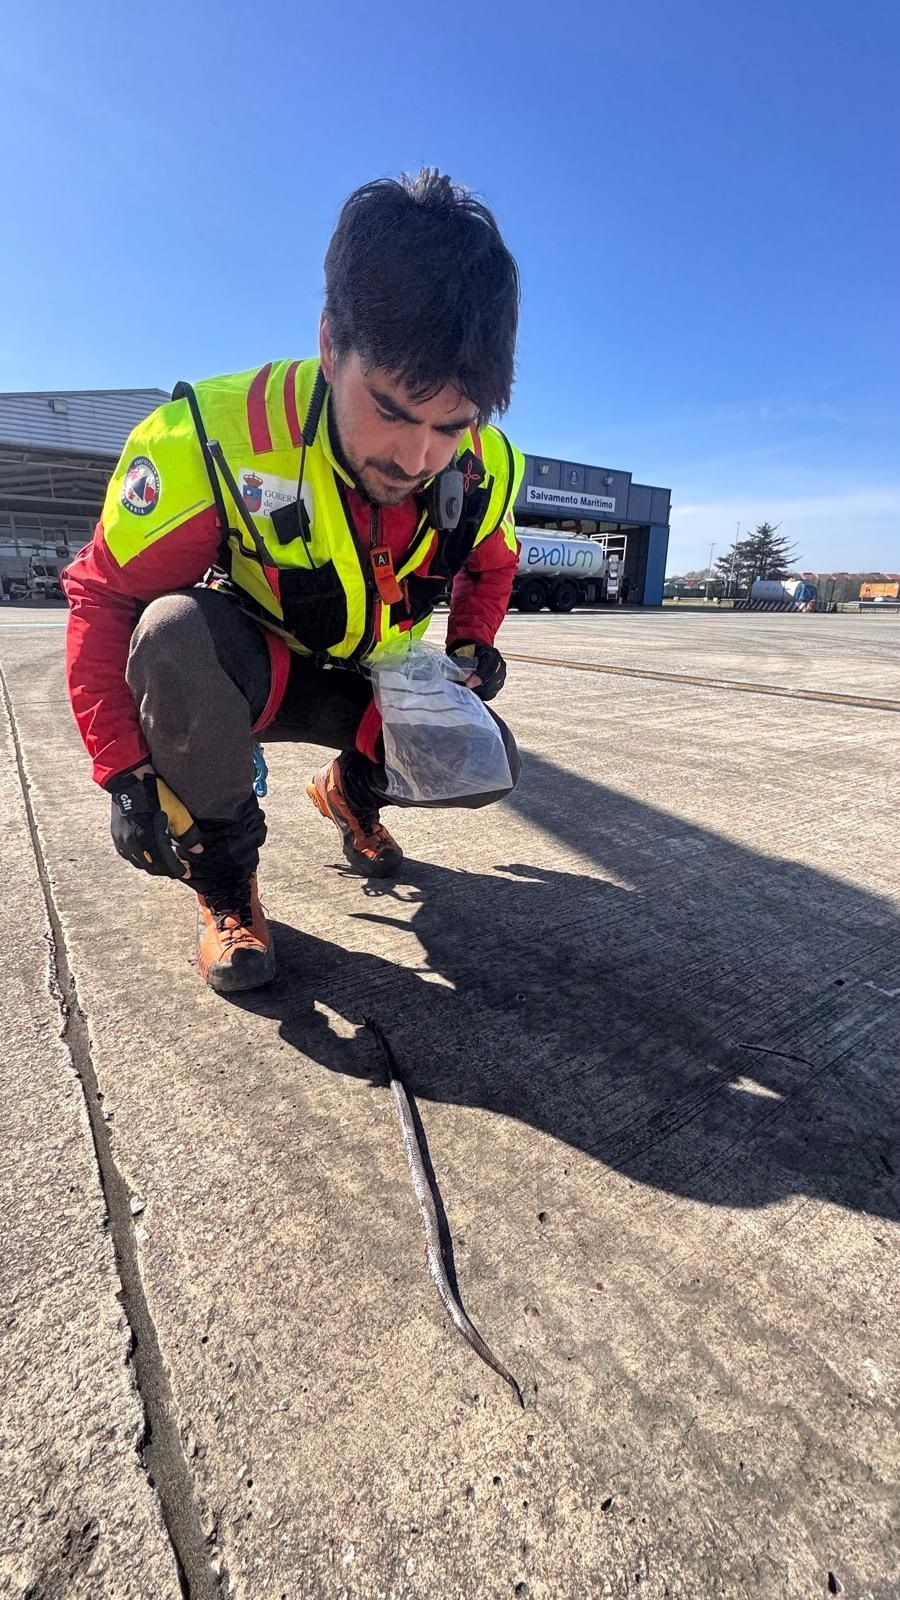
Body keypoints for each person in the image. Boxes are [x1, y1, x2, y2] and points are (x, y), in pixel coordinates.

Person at [63, 170, 525, 995]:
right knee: (170, 632)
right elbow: (105, 598)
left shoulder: (488, 465)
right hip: (254, 677)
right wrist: (124, 773)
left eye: (450, 425)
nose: (416, 458)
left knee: (489, 764)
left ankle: (350, 793)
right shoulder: (210, 437)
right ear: (328, 344)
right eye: (389, 408)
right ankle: (227, 890)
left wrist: (471, 643)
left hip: (369, 681)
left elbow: (493, 559)